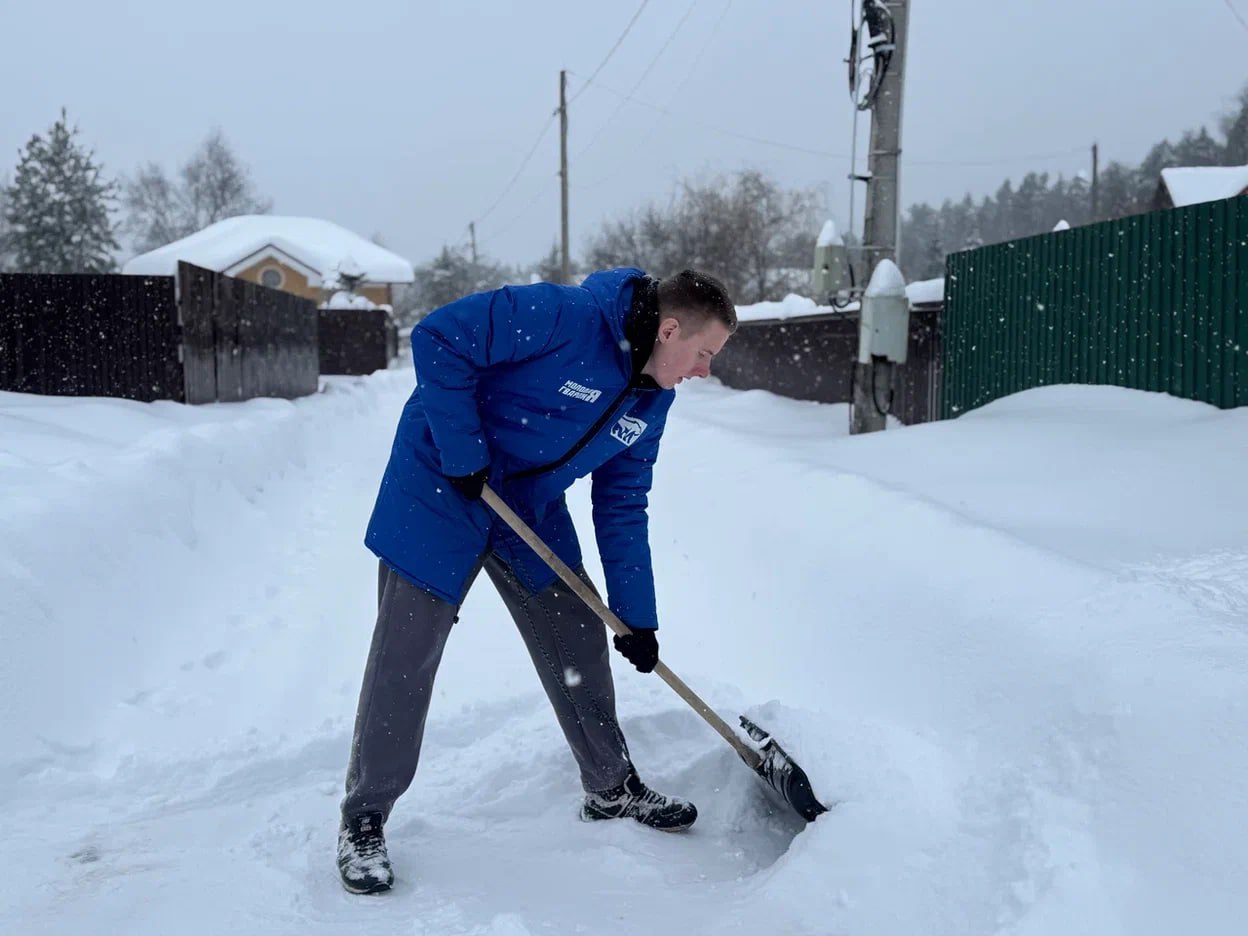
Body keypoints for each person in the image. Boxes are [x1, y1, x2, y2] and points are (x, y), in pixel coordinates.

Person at [337, 267, 736, 895]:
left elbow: (624, 503)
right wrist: (464, 451)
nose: (704, 370)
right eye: (704, 353)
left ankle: (610, 786)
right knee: (407, 651)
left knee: (576, 628)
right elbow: (439, 336)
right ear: (669, 328)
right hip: (441, 482)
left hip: (525, 504)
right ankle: (365, 815)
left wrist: (638, 618)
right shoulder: (565, 316)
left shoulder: (651, 399)